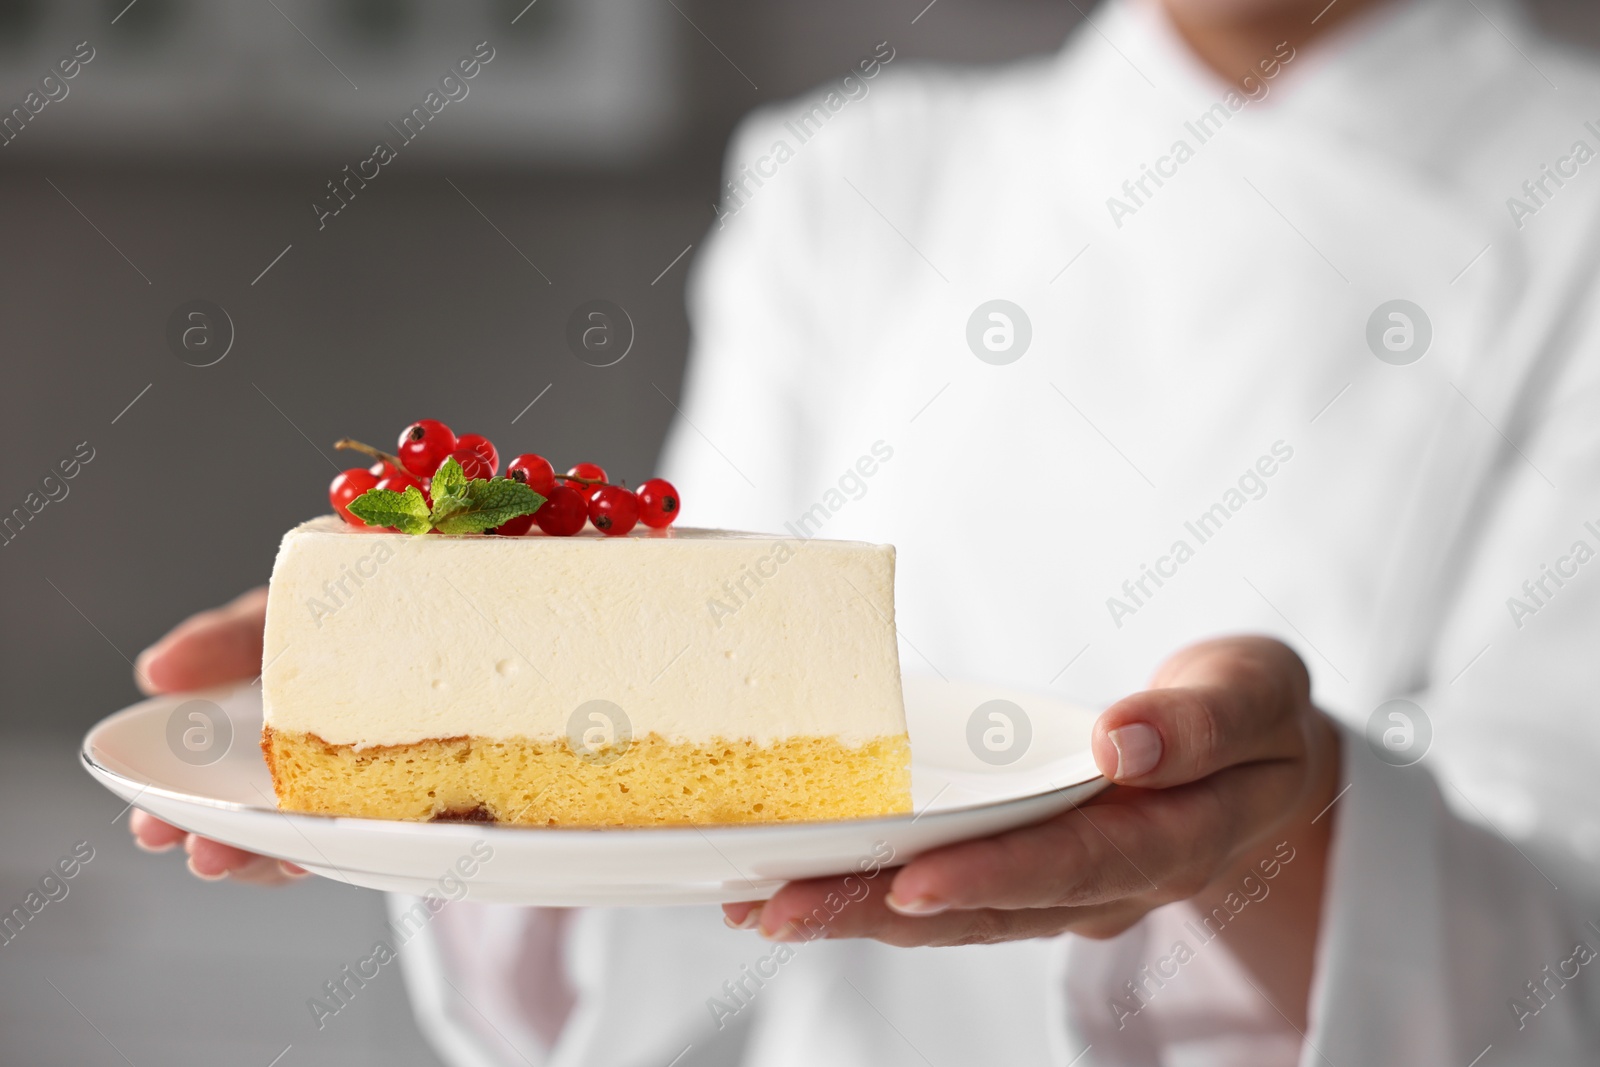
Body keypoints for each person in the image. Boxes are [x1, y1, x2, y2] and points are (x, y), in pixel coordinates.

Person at [131, 0, 1600, 1062]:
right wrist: (468, 707)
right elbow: (688, 876)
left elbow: (1566, 978)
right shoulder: (857, 176)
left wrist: (1284, 834)